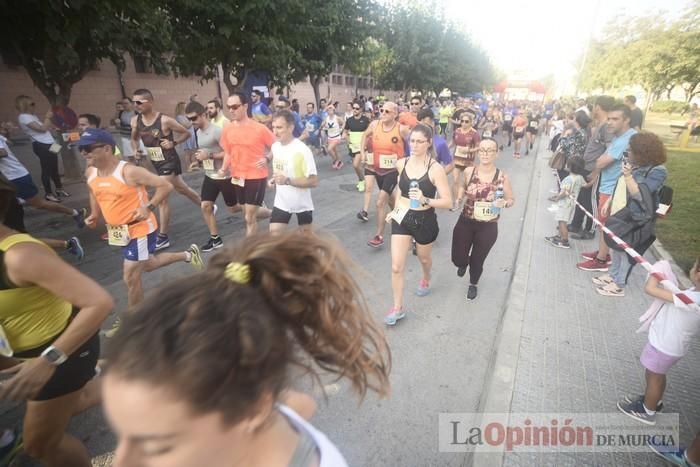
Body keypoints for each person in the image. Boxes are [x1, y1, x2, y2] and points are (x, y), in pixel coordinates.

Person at [101, 231, 391, 467]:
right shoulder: (257, 406)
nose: (121, 463)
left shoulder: (251, 405)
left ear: (255, 410)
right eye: (121, 437)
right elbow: (299, 404)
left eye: (157, 447)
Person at [0, 174, 114, 467]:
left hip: (62, 351)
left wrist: (46, 361)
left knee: (41, 446)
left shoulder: (20, 256)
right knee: (72, 402)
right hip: (21, 356)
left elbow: (99, 302)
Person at [81, 128, 203, 316]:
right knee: (149, 264)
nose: (83, 153)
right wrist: (95, 214)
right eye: (80, 149)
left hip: (140, 229)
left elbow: (166, 185)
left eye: (88, 148)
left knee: (130, 276)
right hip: (118, 231)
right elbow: (93, 192)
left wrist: (149, 206)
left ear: (106, 149)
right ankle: (188, 255)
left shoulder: (129, 172)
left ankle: (134, 319)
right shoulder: (90, 172)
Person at [616, 257, 700, 425]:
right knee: (658, 375)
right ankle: (654, 400)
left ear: (698, 274)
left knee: (653, 376)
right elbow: (680, 293)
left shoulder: (692, 299)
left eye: (693, 265)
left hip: (664, 345)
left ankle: (648, 410)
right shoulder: (694, 294)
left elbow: (650, 289)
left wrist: (658, 269)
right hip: (673, 346)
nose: (691, 268)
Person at [386, 124, 452, 325]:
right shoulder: (401, 164)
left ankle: (426, 277)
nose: (414, 145)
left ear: (428, 143)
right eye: (412, 141)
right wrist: (395, 210)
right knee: (397, 266)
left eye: (419, 141)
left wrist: (426, 200)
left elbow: (448, 202)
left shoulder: (436, 169)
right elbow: (399, 190)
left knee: (423, 259)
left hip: (425, 220)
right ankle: (397, 308)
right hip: (403, 218)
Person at [594, 132, 667, 297]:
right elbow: (620, 185)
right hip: (623, 212)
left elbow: (641, 195)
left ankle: (619, 285)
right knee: (615, 247)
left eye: (631, 150)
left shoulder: (658, 171)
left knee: (626, 251)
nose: (629, 153)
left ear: (643, 151)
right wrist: (609, 201)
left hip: (639, 218)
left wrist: (627, 175)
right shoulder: (636, 165)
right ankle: (612, 275)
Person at [130, 88, 202, 251]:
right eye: (134, 102)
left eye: (140, 102)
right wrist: (135, 149)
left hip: (169, 161)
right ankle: (207, 205)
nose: (136, 105)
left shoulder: (164, 120)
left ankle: (162, 237)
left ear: (150, 101)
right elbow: (133, 139)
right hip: (155, 161)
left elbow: (186, 133)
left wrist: (174, 143)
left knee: (162, 197)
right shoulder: (135, 121)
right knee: (183, 189)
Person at [451, 139, 515, 301]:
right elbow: (461, 187)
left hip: (488, 226)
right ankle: (462, 262)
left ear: (496, 153)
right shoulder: (469, 171)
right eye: (483, 150)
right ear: (478, 152)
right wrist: (459, 198)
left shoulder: (502, 177)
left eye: (490, 150)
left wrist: (505, 203)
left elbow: (511, 199)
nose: (485, 154)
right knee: (458, 257)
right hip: (466, 220)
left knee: (478, 259)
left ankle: (473, 284)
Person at [577, 103, 637, 272]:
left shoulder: (626, 139)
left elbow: (603, 160)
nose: (609, 122)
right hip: (609, 184)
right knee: (604, 224)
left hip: (612, 189)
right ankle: (603, 252)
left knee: (605, 224)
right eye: (609, 119)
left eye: (615, 119)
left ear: (627, 120)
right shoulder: (619, 136)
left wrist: (598, 164)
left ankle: (601, 260)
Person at [0, 126, 87, 232]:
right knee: (47, 169)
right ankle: (49, 193)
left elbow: (5, 149)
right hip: (43, 147)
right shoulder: (28, 120)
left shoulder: (34, 118)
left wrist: (50, 123)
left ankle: (61, 198)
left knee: (52, 170)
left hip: (49, 147)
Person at [220, 92, 276, 236]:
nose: (231, 110)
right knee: (247, 211)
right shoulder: (227, 129)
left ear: (245, 106)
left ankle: (249, 254)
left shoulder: (259, 128)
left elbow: (277, 146)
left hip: (256, 176)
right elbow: (228, 152)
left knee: (249, 218)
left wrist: (267, 158)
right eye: (228, 107)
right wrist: (223, 169)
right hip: (237, 177)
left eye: (235, 106)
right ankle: (273, 213)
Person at [360, 101, 410, 248]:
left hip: (393, 171)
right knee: (390, 200)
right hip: (378, 170)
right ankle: (406, 221)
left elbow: (415, 143)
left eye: (387, 111)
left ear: (395, 114)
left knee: (380, 202)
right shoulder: (375, 125)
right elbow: (364, 135)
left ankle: (379, 235)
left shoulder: (401, 129)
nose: (383, 113)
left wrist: (412, 164)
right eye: (381, 110)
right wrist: (362, 152)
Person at [569, 96, 616, 240]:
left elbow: (609, 150)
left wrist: (597, 171)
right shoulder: (601, 124)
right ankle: (576, 224)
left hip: (593, 168)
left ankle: (589, 229)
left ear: (598, 107)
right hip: (587, 166)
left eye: (594, 106)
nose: (592, 109)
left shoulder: (607, 126)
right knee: (582, 197)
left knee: (590, 200)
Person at [268, 110, 318, 234]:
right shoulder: (275, 147)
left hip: (302, 203)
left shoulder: (302, 150)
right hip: (282, 202)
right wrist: (274, 180)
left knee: (307, 241)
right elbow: (281, 171)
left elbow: (313, 181)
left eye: (279, 127)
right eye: (273, 127)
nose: (275, 131)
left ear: (290, 128)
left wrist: (287, 180)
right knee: (274, 236)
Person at [15, 95, 66, 202]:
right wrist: (48, 117)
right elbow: (42, 129)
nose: (34, 106)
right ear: (24, 105)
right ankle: (48, 193)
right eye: (31, 104)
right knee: (46, 169)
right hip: (42, 145)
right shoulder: (23, 117)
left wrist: (52, 126)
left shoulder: (32, 116)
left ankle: (59, 189)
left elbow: (45, 128)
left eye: (34, 103)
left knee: (54, 168)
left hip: (51, 143)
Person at [545, 156, 586, 249]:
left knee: (562, 222)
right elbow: (585, 185)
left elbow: (565, 192)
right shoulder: (580, 177)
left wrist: (557, 198)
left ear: (569, 167)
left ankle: (564, 240)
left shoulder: (568, 179)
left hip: (564, 204)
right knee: (563, 220)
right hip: (571, 204)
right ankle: (560, 236)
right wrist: (593, 181)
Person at [451, 114, 480, 210]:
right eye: (462, 121)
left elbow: (478, 147)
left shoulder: (474, 133)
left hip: (468, 161)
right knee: (455, 180)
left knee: (465, 182)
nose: (464, 123)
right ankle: (456, 202)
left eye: (466, 121)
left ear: (471, 122)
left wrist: (468, 150)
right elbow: (453, 142)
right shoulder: (457, 131)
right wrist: (445, 148)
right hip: (457, 159)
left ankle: (461, 198)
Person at [344, 102, 371, 193]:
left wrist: (367, 142)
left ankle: (361, 180)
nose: (354, 110)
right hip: (352, 146)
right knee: (358, 166)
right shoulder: (349, 120)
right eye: (353, 108)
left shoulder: (366, 120)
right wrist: (347, 140)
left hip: (362, 146)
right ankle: (362, 179)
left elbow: (370, 132)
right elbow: (345, 131)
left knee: (355, 165)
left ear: (361, 110)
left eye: (357, 108)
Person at [321, 104, 344, 169]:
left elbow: (344, 122)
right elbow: (322, 125)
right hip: (330, 137)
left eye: (331, 109)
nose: (330, 111)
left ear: (334, 110)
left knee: (329, 149)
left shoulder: (337, 117)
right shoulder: (326, 118)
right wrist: (321, 127)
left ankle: (335, 161)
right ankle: (339, 162)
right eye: (328, 110)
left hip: (336, 137)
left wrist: (341, 129)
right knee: (335, 151)